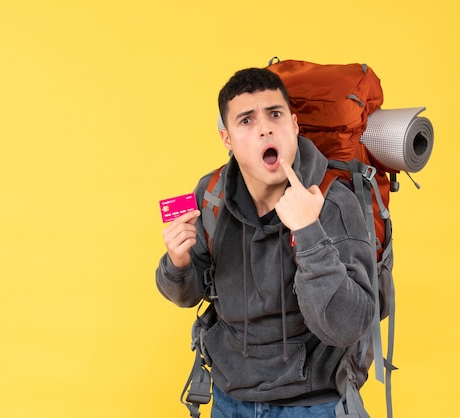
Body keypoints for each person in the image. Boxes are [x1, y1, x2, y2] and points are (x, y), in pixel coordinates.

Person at [155, 68, 376, 417]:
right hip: (230, 398)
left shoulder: (334, 201)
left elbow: (347, 325)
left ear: (294, 124)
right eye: (246, 120)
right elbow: (186, 294)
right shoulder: (211, 194)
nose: (264, 128)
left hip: (313, 403)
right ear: (227, 138)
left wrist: (308, 232)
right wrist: (177, 264)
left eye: (274, 114)